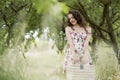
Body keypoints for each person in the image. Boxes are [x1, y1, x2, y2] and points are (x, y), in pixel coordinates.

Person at [63, 10, 95, 80]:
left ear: (77, 17)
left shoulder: (87, 29)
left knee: (86, 75)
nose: (71, 20)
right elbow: (70, 43)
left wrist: (85, 55)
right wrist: (74, 55)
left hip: (84, 52)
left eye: (72, 17)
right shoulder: (68, 29)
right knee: (74, 76)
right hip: (72, 53)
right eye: (69, 19)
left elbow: (86, 44)